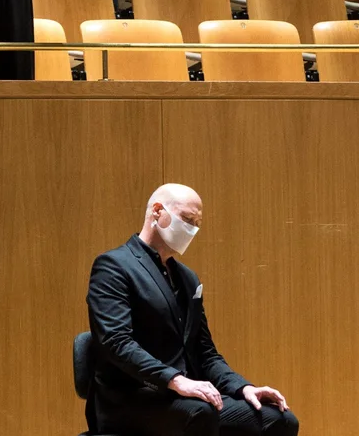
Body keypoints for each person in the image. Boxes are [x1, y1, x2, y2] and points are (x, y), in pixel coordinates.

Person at [86, 184, 297, 436]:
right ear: (156, 212)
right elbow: (116, 342)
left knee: (279, 419)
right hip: (131, 399)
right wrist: (175, 380)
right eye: (187, 219)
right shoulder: (113, 266)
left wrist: (242, 388)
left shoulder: (187, 279)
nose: (192, 229)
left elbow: (205, 353)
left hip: (184, 398)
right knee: (200, 413)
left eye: (197, 223)